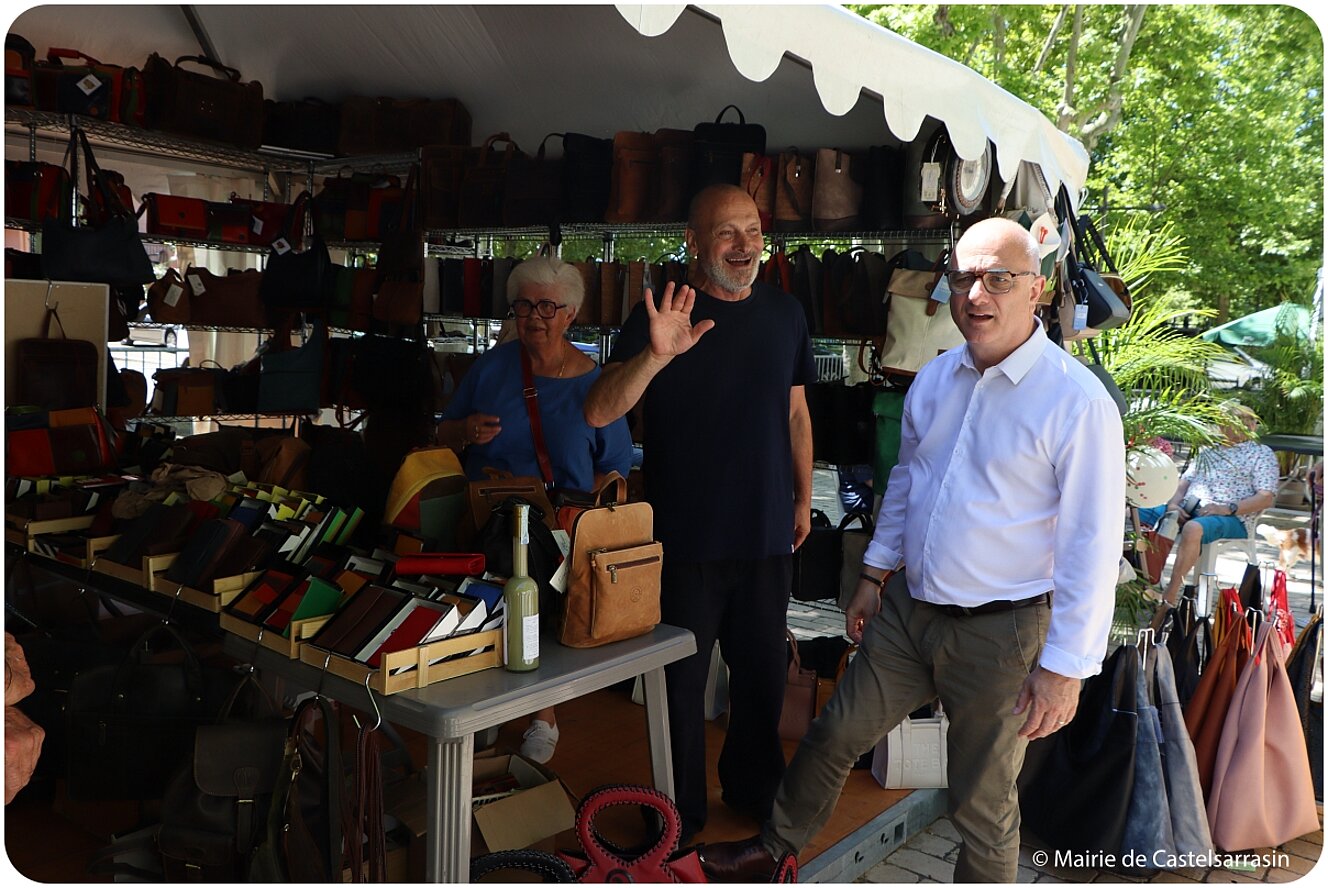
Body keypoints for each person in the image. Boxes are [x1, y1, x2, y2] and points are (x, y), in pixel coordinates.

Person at [698, 217, 1125, 882]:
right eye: (961, 279)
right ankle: (773, 850)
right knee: (834, 734)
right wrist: (872, 573)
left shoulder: (1076, 403)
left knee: (980, 805)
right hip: (910, 613)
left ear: (1036, 290)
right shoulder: (936, 378)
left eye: (997, 279)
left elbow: (1093, 546)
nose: (975, 295)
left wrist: (1065, 668)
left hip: (1004, 633)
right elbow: (907, 484)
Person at [583, 184, 816, 841]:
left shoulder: (786, 313)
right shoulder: (660, 313)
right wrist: (656, 353)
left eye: (751, 230)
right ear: (693, 242)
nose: (744, 246)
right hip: (686, 539)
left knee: (764, 681)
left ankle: (751, 790)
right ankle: (679, 816)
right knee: (681, 689)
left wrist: (802, 498)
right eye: (726, 233)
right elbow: (598, 412)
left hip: (769, 534)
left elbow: (797, 413)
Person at [436, 256, 633, 763]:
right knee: (484, 589)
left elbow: (614, 472)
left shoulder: (596, 383)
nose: (535, 316)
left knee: (526, 588)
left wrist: (580, 518)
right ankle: (486, 706)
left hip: (558, 528)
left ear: (571, 314)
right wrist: (465, 432)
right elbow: (443, 432)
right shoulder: (493, 367)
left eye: (548, 305)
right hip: (486, 514)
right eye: (524, 304)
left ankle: (541, 714)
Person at [1138, 403, 1277, 607]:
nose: (1248, 425)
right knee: (1140, 513)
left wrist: (1227, 508)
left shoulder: (1261, 454)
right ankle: (1144, 581)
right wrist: (1174, 504)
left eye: (1250, 421)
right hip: (1188, 509)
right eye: (1239, 421)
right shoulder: (1208, 450)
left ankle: (1171, 592)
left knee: (1194, 528)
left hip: (1232, 517)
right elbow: (1183, 483)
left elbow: (1266, 497)